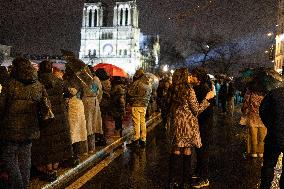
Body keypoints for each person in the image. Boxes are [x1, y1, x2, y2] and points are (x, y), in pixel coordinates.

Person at [0, 57, 54, 189]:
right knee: (25, 159)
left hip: (10, 129)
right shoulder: (38, 85)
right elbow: (46, 107)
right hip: (30, 128)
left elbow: (1, 107)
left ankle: (19, 185)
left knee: (8, 157)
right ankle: (24, 185)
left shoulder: (9, 84)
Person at [168, 68, 214, 189]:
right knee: (187, 150)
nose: (190, 76)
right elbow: (196, 110)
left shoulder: (172, 89)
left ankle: (173, 180)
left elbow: (167, 106)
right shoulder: (189, 90)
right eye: (188, 74)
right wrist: (206, 99)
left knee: (176, 149)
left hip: (177, 124)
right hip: (188, 125)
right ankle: (185, 181)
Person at [31, 60, 73, 181]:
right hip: (60, 117)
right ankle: (54, 170)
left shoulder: (37, 82)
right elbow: (69, 93)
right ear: (51, 69)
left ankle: (47, 170)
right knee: (58, 143)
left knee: (47, 144)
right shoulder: (59, 81)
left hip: (45, 118)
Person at [191, 67, 215, 188]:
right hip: (200, 123)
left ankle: (204, 177)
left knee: (203, 151)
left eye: (193, 75)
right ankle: (198, 171)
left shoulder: (203, 89)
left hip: (204, 124)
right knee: (199, 149)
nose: (191, 77)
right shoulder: (198, 88)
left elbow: (203, 110)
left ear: (198, 78)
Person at [259, 87, 284, 189]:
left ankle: (265, 186)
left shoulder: (274, 93)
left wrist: (271, 125)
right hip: (274, 135)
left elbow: (262, 110)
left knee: (268, 165)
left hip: (273, 136)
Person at [127, 68, 152, 147]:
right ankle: (143, 139)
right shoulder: (149, 84)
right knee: (142, 122)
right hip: (144, 105)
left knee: (136, 122)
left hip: (136, 104)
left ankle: (136, 138)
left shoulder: (137, 83)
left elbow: (130, 92)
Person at [241, 88, 266, 158]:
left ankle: (253, 152)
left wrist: (243, 110)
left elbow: (245, 103)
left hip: (252, 117)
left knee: (252, 135)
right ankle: (261, 152)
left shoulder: (249, 92)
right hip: (263, 118)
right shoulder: (267, 92)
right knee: (262, 136)